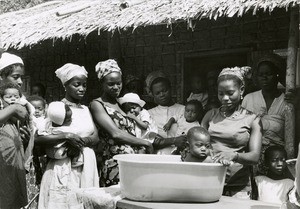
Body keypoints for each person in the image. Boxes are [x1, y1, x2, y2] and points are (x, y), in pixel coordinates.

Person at [37, 63, 99, 209]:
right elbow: (39, 138)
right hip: (63, 167)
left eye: (84, 85)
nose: (81, 89)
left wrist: (79, 142)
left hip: (86, 165)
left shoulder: (85, 109)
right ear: (66, 85)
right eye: (77, 85)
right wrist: (66, 136)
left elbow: (95, 137)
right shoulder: (56, 109)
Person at [90, 59, 154, 187]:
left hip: (132, 162)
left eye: (119, 83)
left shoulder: (121, 104)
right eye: (111, 84)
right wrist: (145, 143)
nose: (116, 87)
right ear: (101, 83)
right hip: (115, 164)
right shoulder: (97, 104)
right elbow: (115, 133)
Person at [202, 66, 262, 199]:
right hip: (209, 181)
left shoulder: (252, 119)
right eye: (220, 93)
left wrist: (234, 155)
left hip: (238, 187)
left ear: (241, 90)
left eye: (230, 93)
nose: (225, 98)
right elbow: (197, 143)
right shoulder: (210, 115)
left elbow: (255, 156)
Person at [242, 53, 286, 175]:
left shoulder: (286, 102)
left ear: (277, 76)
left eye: (269, 74)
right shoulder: (248, 99)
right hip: (251, 157)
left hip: (277, 160)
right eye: (261, 75)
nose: (264, 78)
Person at [0, 52, 31, 208]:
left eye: (21, 78)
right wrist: (12, 109)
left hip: (12, 164)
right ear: (1, 76)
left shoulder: (18, 101)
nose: (20, 82)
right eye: (15, 77)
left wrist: (23, 139)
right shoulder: (12, 105)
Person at [146, 71, 186, 155]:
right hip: (157, 157)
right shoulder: (148, 114)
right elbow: (149, 139)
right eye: (157, 93)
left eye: (164, 90)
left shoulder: (184, 109)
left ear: (171, 89)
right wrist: (174, 140)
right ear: (153, 95)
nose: (162, 95)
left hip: (181, 156)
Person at [40, 101, 84, 167]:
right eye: (69, 120)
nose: (71, 120)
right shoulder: (66, 129)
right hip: (61, 152)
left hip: (49, 152)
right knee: (77, 147)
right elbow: (76, 134)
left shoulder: (48, 123)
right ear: (61, 121)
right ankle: (75, 161)